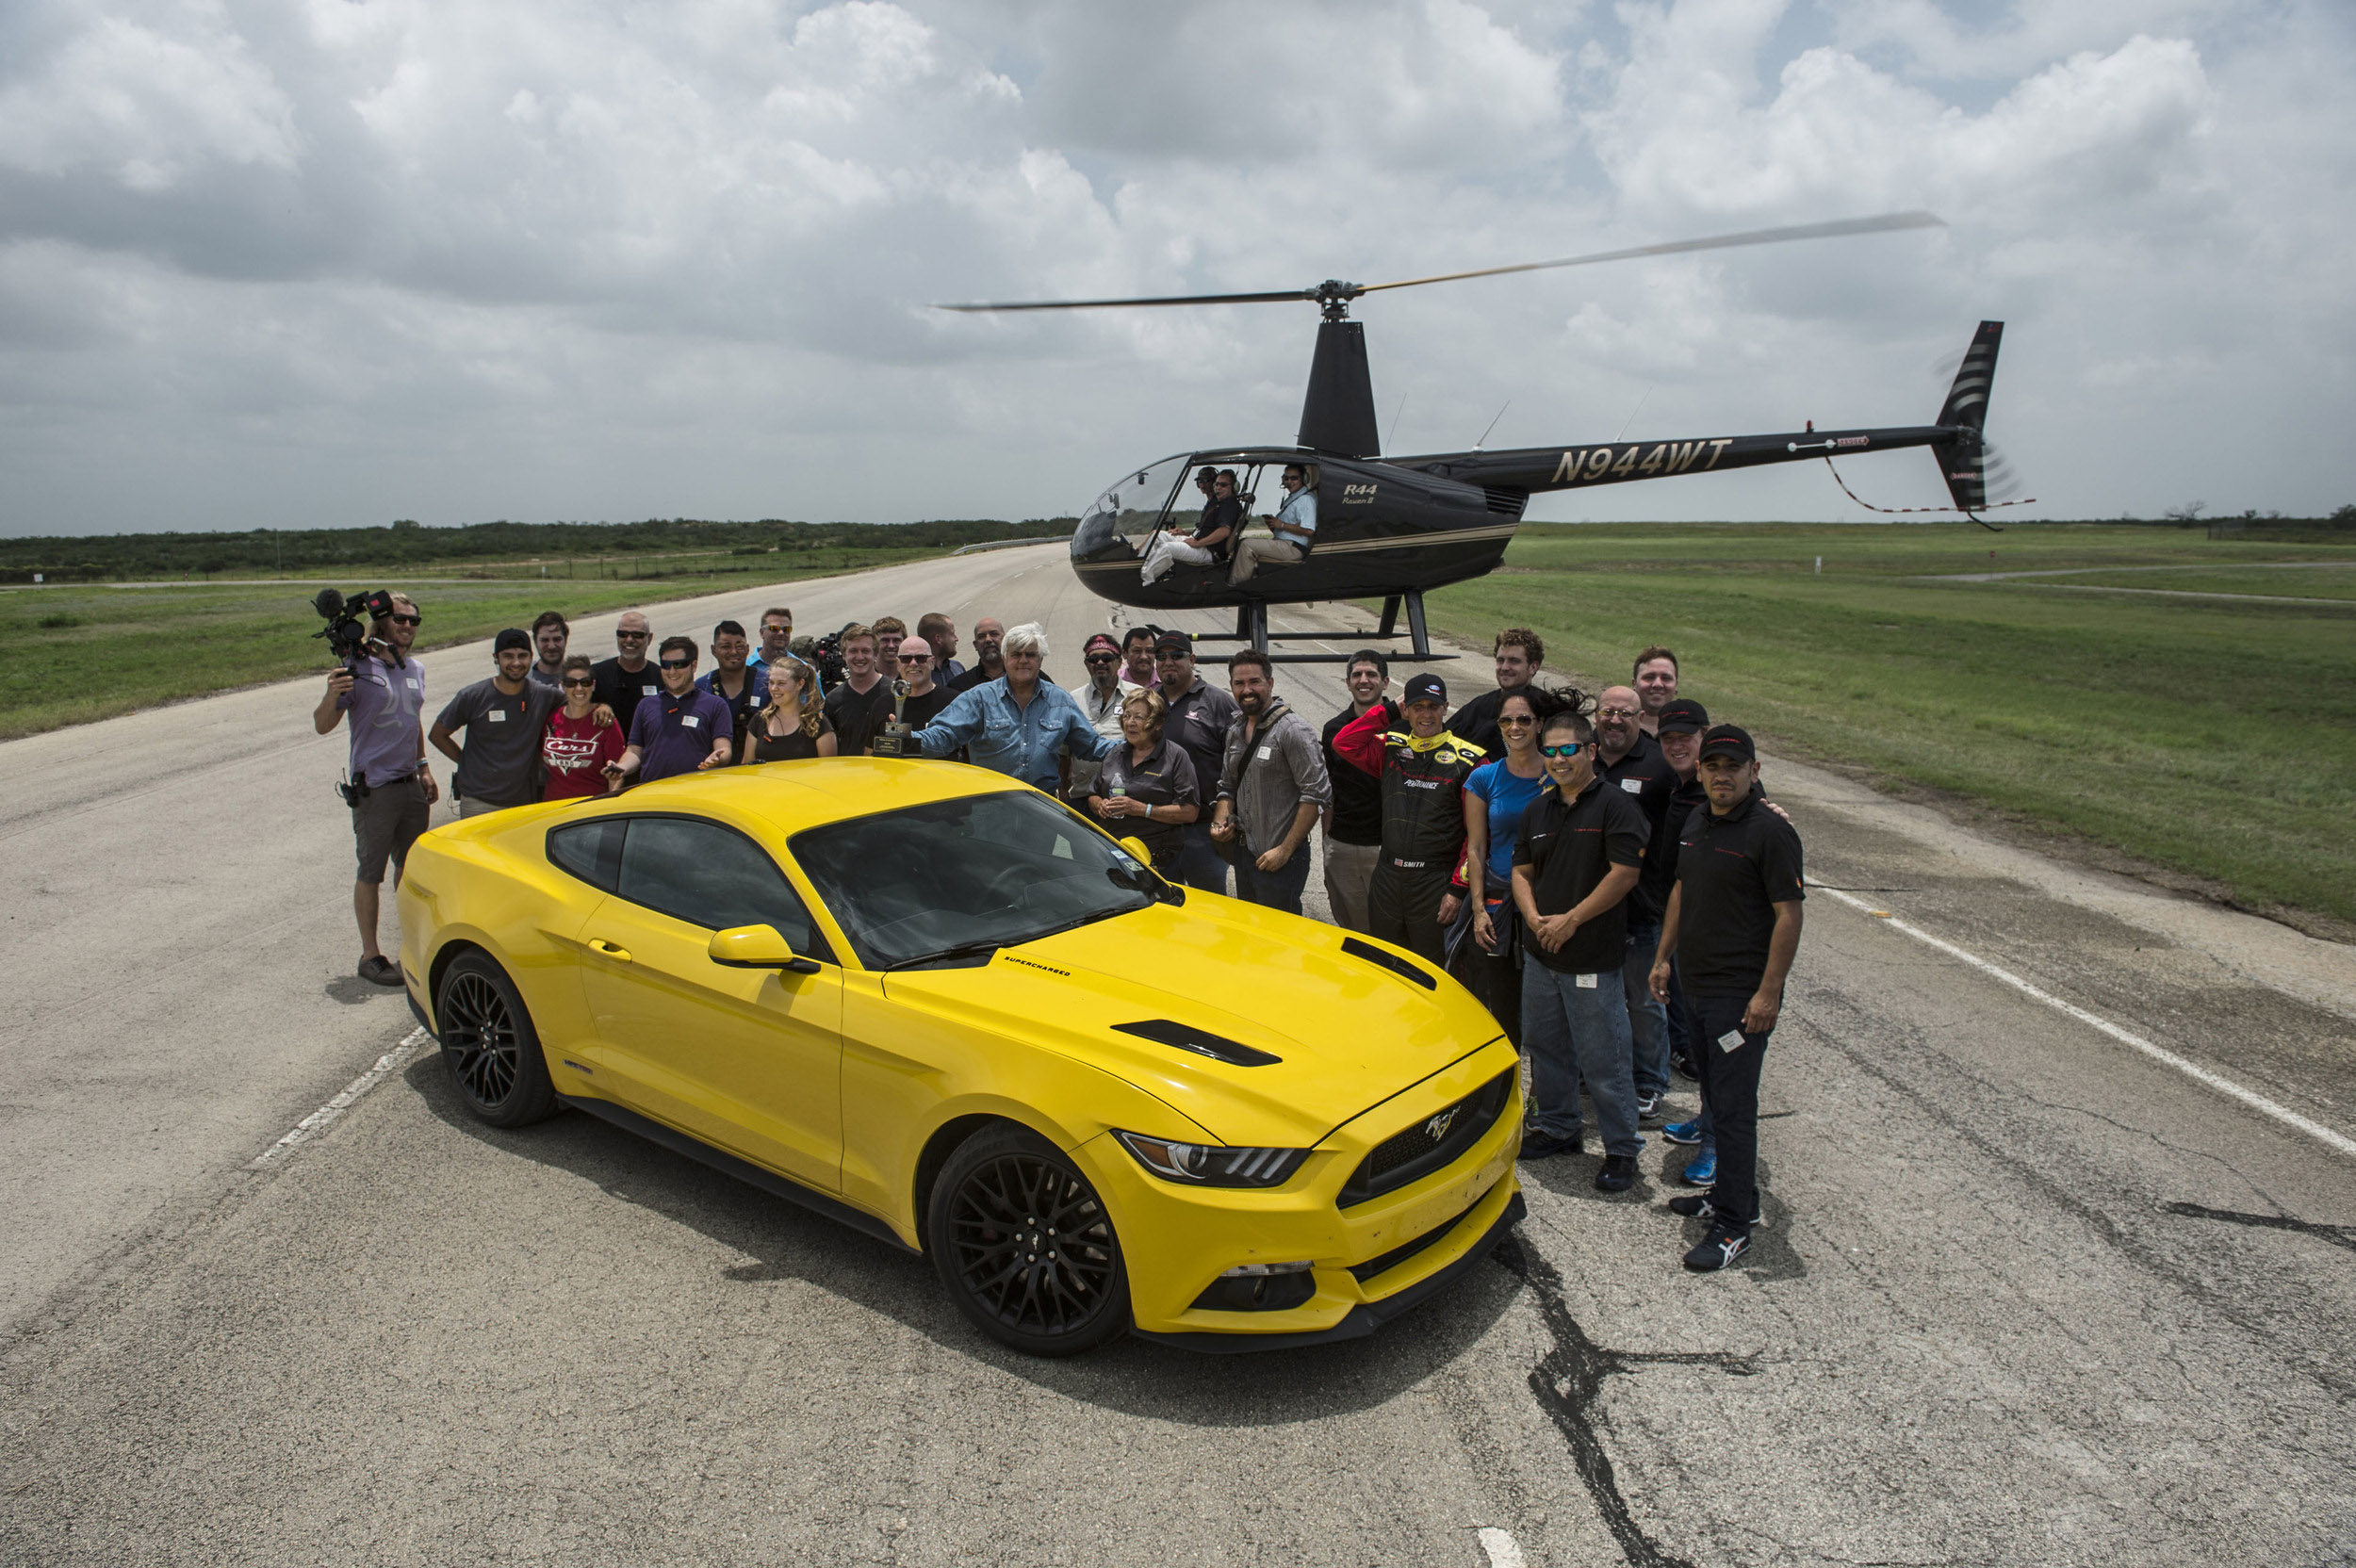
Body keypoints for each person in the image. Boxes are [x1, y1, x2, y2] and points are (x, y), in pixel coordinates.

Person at [1649, 725, 1805, 1271]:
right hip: (1694, 983)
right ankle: (1732, 1198)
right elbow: (1682, 889)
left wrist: (1768, 992)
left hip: (1740, 996)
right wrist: (1664, 957)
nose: (1721, 774)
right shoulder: (1697, 819)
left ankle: (1734, 1227)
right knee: (1713, 1096)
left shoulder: (1769, 831)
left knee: (1735, 1112)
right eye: (1713, 765)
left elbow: (1790, 914)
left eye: (1733, 767)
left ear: (1754, 772)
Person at [1513, 708, 1649, 1191]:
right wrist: (1533, 918)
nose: (1558, 758)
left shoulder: (1616, 806)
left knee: (1603, 1057)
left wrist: (1571, 920)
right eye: (1549, 750)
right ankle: (1557, 1128)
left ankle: (1621, 1150)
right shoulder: (1539, 809)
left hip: (1589, 956)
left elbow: (1624, 874)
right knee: (1545, 1047)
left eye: (1568, 749)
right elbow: (1521, 871)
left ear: (1591, 751)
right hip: (1540, 954)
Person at [311, 590, 437, 987]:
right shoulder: (358, 668)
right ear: (381, 622)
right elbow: (322, 724)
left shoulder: (414, 669)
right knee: (371, 872)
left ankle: (411, 944)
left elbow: (412, 719)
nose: (406, 626)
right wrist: (332, 695)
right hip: (376, 789)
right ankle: (370, 955)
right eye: (400, 619)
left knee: (411, 869)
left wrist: (423, 765)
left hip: (410, 785)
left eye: (413, 621)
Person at [1330, 672, 1484, 965]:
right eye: (1418, 706)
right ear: (1406, 710)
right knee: (1384, 963)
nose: (1426, 715)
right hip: (1388, 875)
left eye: (1433, 707)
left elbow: (1476, 837)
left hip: (1435, 881)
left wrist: (1457, 888)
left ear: (1446, 708)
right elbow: (1344, 742)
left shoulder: (1471, 760)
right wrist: (1387, 711)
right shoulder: (1391, 747)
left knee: (1432, 968)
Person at [1595, 682, 1679, 1122]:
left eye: (1625, 713)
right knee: (1597, 1000)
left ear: (1640, 717)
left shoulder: (1659, 764)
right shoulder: (1580, 756)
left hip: (1643, 907)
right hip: (1591, 906)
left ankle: (1649, 1080)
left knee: (1645, 1001)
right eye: (1607, 711)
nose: (1614, 720)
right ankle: (1603, 1073)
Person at [1456, 686, 1559, 1045]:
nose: (1515, 727)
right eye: (1506, 720)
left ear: (1540, 723)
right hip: (1499, 903)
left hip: (1548, 902)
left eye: (1524, 719)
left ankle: (1543, 1091)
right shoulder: (1485, 778)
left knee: (1547, 1007)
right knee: (1502, 1001)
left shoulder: (1559, 773)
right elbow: (1477, 847)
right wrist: (1480, 909)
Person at [911, 623, 1113, 790]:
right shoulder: (979, 698)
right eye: (1016, 654)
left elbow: (1092, 746)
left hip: (1042, 813)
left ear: (1041, 660)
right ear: (1005, 658)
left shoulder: (1060, 701)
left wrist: (1138, 746)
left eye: (1031, 655)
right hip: (992, 809)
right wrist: (906, 739)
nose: (1023, 661)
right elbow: (943, 735)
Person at [1647, 698, 1716, 1181]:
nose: (1675, 745)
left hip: (1717, 946)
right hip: (1682, 935)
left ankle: (1718, 1148)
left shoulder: (1718, 796)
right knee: (1699, 1041)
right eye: (1668, 737)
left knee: (1722, 1052)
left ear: (1704, 736)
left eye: (1685, 737)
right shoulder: (1681, 787)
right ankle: (1707, 1121)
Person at [1211, 650, 1331, 915]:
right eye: (1239, 684)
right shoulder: (1235, 731)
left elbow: (1315, 795)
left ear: (1270, 683)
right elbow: (1227, 786)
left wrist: (1285, 851)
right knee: (1252, 935)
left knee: (1282, 942)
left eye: (1254, 682)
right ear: (1231, 686)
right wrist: (1219, 823)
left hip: (1281, 859)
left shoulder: (1293, 730)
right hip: (1245, 856)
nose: (1247, 690)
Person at [430, 628, 564, 816]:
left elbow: (578, 703)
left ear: (531, 657)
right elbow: (437, 735)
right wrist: (466, 762)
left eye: (522, 656)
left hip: (523, 803)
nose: (516, 662)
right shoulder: (473, 696)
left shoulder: (543, 695)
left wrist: (601, 708)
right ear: (496, 658)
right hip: (479, 802)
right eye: (508, 656)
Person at [1150, 629, 1242, 894]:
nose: (1168, 662)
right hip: (1158, 828)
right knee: (1164, 905)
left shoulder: (1218, 701)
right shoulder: (1150, 701)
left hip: (1202, 829)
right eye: (1161, 656)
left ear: (1192, 659)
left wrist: (1229, 816)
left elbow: (1237, 765)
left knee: (1210, 907)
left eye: (1176, 655)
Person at [1086, 688, 1199, 876]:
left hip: (1156, 860)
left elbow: (1189, 812)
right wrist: (1099, 805)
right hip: (1114, 855)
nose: (1130, 722)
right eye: (1127, 715)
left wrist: (1141, 809)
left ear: (1157, 723)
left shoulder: (1176, 757)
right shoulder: (1115, 753)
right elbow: (1093, 794)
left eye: (1138, 717)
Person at [1318, 650, 1389, 934]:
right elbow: (1328, 792)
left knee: (1389, 932)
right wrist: (1327, 843)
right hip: (1343, 845)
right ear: (1347, 682)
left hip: (1386, 848)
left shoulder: (1403, 727)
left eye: (1371, 674)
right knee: (1351, 928)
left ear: (1385, 682)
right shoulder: (1334, 729)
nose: (1364, 680)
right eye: (1357, 675)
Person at [607, 636, 732, 787]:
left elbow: (724, 748)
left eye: (679, 664)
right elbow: (634, 751)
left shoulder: (715, 705)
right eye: (666, 665)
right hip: (653, 794)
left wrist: (717, 758)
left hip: (697, 792)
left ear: (694, 666)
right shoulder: (646, 705)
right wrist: (622, 767)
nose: (672, 671)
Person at [1447, 629, 1545, 760]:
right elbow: (1444, 742)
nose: (1504, 667)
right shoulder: (1478, 707)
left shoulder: (1548, 708)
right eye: (1500, 660)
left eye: (1514, 661)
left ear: (1533, 667)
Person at [1066, 632, 1137, 804]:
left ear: (1119, 662)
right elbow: (1063, 752)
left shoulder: (1138, 696)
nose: (1100, 663)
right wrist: (1062, 789)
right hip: (1081, 795)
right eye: (1093, 659)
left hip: (1124, 797)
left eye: (1106, 658)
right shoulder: (1071, 699)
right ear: (1086, 664)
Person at [542, 654, 627, 799]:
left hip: (591, 810)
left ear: (593, 685)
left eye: (585, 682)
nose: (579, 688)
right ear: (562, 686)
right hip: (553, 808)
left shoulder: (605, 722)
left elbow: (616, 774)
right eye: (571, 683)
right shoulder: (550, 719)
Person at [1141, 468, 1241, 585]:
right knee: (1157, 535)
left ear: (1234, 487)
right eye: (1217, 484)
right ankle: (1141, 566)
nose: (1218, 488)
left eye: (1223, 485)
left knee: (1166, 548)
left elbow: (1224, 531)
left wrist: (1198, 543)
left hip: (1208, 551)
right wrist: (1186, 533)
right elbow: (1206, 529)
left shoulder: (1230, 505)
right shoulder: (1218, 503)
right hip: (1199, 543)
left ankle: (1145, 580)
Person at [1230, 464, 1317, 586]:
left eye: (1294, 478)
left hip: (1294, 548)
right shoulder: (1293, 498)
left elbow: (1309, 530)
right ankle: (1251, 584)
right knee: (1242, 542)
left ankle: (1236, 586)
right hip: (1285, 543)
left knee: (1247, 545)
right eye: (1286, 478)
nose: (1289, 482)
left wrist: (1281, 525)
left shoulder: (1306, 500)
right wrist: (1274, 526)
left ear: (1303, 479)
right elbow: (1288, 529)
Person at [740, 656, 839, 762]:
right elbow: (747, 766)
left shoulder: (818, 724)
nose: (774, 688)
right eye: (771, 682)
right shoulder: (759, 721)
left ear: (800, 684)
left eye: (781, 683)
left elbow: (828, 771)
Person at [696, 619, 768, 758]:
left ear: (748, 649)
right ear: (713, 650)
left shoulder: (767, 684)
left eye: (739, 646)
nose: (733, 652)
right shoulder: (702, 687)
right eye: (726, 647)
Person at [822, 623, 895, 756]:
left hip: (885, 773)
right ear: (844, 655)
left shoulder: (894, 693)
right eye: (853, 651)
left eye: (865, 651)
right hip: (848, 774)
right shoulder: (833, 699)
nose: (860, 657)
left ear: (876, 655)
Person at [878, 629, 957, 751]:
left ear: (932, 662)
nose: (913, 663)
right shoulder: (881, 706)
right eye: (906, 659)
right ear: (898, 664)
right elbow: (869, 756)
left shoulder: (954, 703)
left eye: (921, 658)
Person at [591, 611, 663, 719]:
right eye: (623, 634)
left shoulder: (661, 677)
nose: (629, 640)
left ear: (650, 638)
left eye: (637, 635)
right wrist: (598, 706)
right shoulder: (595, 674)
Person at [749, 606, 824, 699]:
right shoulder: (747, 668)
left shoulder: (805, 671)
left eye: (786, 629)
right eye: (774, 628)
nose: (781, 633)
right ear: (761, 632)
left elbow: (818, 707)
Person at [948, 617, 1006, 695]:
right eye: (981, 636)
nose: (988, 640)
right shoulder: (960, 686)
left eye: (994, 634)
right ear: (976, 645)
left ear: (1005, 640)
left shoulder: (1023, 675)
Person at [1633, 645, 1679, 736]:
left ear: (1676, 685)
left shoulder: (1688, 731)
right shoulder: (1617, 725)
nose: (1657, 684)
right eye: (1649, 677)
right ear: (1634, 683)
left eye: (1666, 678)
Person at [527, 611, 569, 691]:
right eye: (545, 640)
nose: (551, 646)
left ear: (566, 640)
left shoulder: (581, 679)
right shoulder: (523, 680)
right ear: (535, 642)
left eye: (557, 639)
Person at [917, 612, 964, 685]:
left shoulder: (958, 668)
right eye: (952, 634)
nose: (956, 638)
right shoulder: (917, 675)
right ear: (938, 639)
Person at [1120, 625, 1159, 691]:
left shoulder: (1166, 680)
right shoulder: (1115, 682)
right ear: (1124, 653)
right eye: (1137, 651)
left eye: (1149, 651)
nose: (1144, 657)